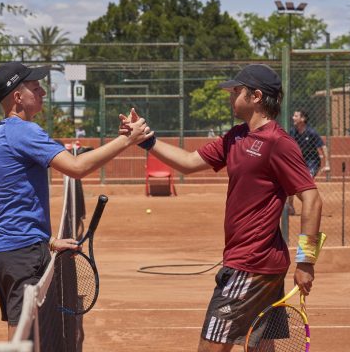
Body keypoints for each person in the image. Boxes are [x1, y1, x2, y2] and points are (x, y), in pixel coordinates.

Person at [120, 64, 323, 352]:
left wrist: (306, 262)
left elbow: (312, 199)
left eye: (236, 91)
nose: (230, 97)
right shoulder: (236, 136)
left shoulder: (279, 143)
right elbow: (189, 163)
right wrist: (146, 140)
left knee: (212, 347)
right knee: (259, 347)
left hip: (250, 264)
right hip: (258, 264)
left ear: (255, 96)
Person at [0, 61, 151, 340]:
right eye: (36, 88)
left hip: (2, 251)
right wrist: (128, 142)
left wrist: (47, 241)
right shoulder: (24, 132)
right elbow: (77, 167)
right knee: (23, 337)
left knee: (20, 328)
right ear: (18, 97)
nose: (43, 92)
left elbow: (7, 203)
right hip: (22, 254)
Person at [286, 110, 330, 215]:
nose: (293, 117)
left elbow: (323, 147)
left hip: (312, 162)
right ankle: (290, 207)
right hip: (298, 162)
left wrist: (327, 164)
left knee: (304, 184)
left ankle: (313, 204)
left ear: (303, 119)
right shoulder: (292, 132)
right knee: (290, 183)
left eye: (296, 116)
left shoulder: (311, 132)